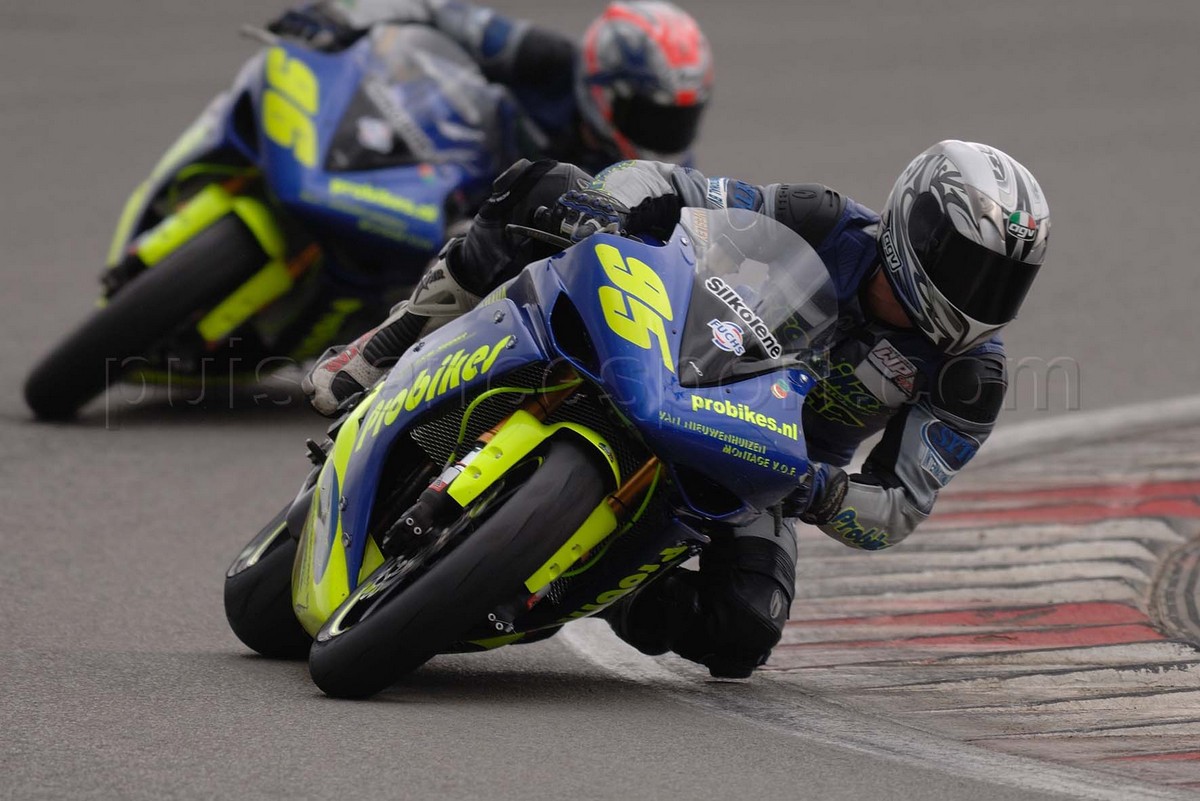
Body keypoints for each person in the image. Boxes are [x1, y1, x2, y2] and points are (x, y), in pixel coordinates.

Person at [305, 140, 1051, 678]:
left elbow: (899, 506)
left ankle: (601, 581)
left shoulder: (971, 375)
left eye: (1003, 282)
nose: (981, 296)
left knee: (743, 632)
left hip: (766, 464)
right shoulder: (824, 221)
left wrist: (821, 491)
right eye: (971, 268)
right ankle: (387, 347)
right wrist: (622, 205)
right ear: (915, 228)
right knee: (538, 186)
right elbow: (673, 182)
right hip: (672, 351)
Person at [267, 0, 714, 174]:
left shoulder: (664, 178)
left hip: (507, 264)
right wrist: (343, 16)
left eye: (680, 119)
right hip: (441, 173)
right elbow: (436, 10)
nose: (664, 134)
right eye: (654, 115)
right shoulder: (544, 57)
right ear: (602, 88)